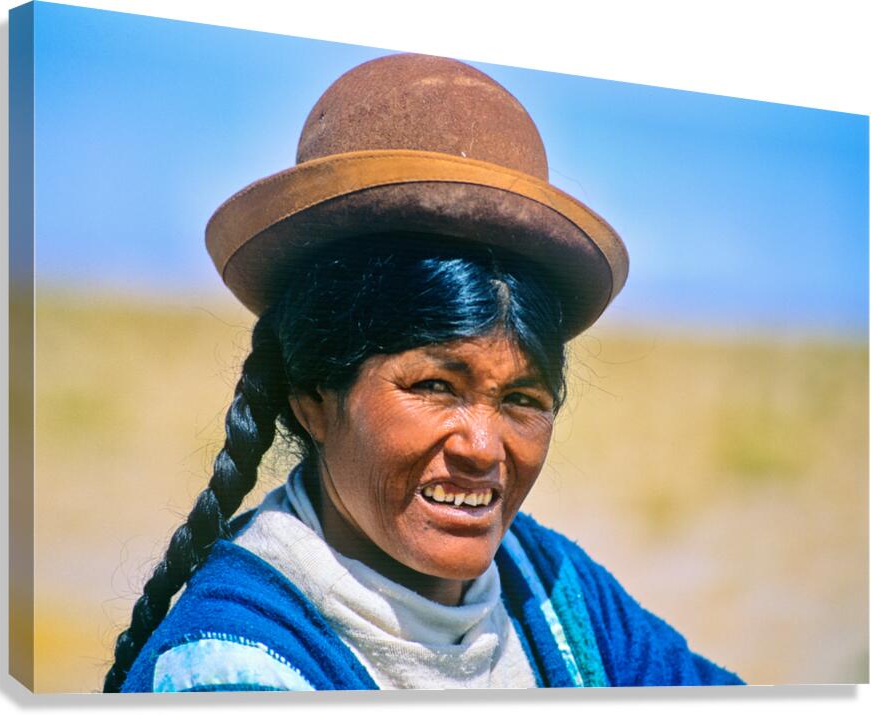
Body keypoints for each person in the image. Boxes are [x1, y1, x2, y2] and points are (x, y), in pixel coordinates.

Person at [105, 53, 743, 692]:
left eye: (522, 398)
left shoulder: (553, 591)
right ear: (314, 398)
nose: (483, 448)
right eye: (435, 386)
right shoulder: (224, 671)